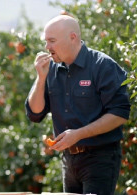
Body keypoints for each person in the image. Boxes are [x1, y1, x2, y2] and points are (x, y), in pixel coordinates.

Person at [25, 15, 130, 195]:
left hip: (100, 158)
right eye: (46, 42)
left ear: (73, 37)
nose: (47, 47)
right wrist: (40, 78)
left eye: (52, 41)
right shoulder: (50, 69)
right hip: (69, 160)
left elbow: (120, 114)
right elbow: (35, 114)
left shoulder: (102, 66)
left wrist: (79, 134)